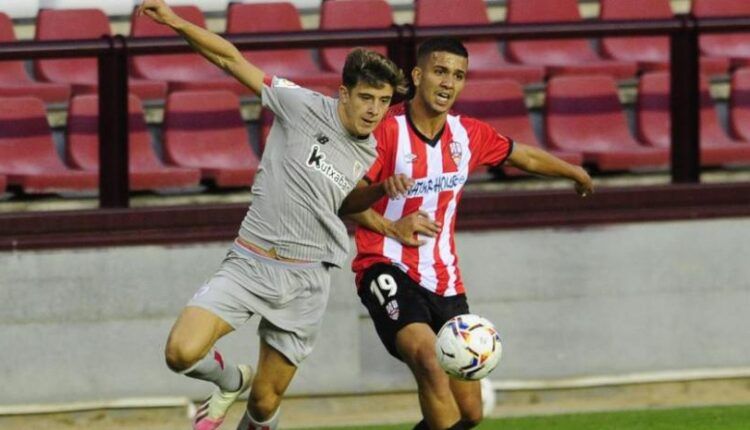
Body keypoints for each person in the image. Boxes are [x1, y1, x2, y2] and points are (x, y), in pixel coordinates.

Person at [136, 2, 409, 430]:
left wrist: (378, 192)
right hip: (251, 262)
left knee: (264, 404)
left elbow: (343, 202)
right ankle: (229, 379)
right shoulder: (300, 105)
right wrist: (175, 21)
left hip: (307, 279)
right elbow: (231, 59)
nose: (374, 110)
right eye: (366, 98)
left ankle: (250, 402)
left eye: (383, 101)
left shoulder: (371, 149)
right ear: (344, 93)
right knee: (180, 353)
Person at [347, 37, 595, 430]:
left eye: (458, 75)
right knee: (428, 357)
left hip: (445, 281)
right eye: (440, 71)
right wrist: (392, 225)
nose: (448, 83)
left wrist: (574, 172)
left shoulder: (468, 135)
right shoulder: (386, 131)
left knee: (470, 413)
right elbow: (346, 199)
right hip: (385, 265)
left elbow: (521, 155)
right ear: (417, 75)